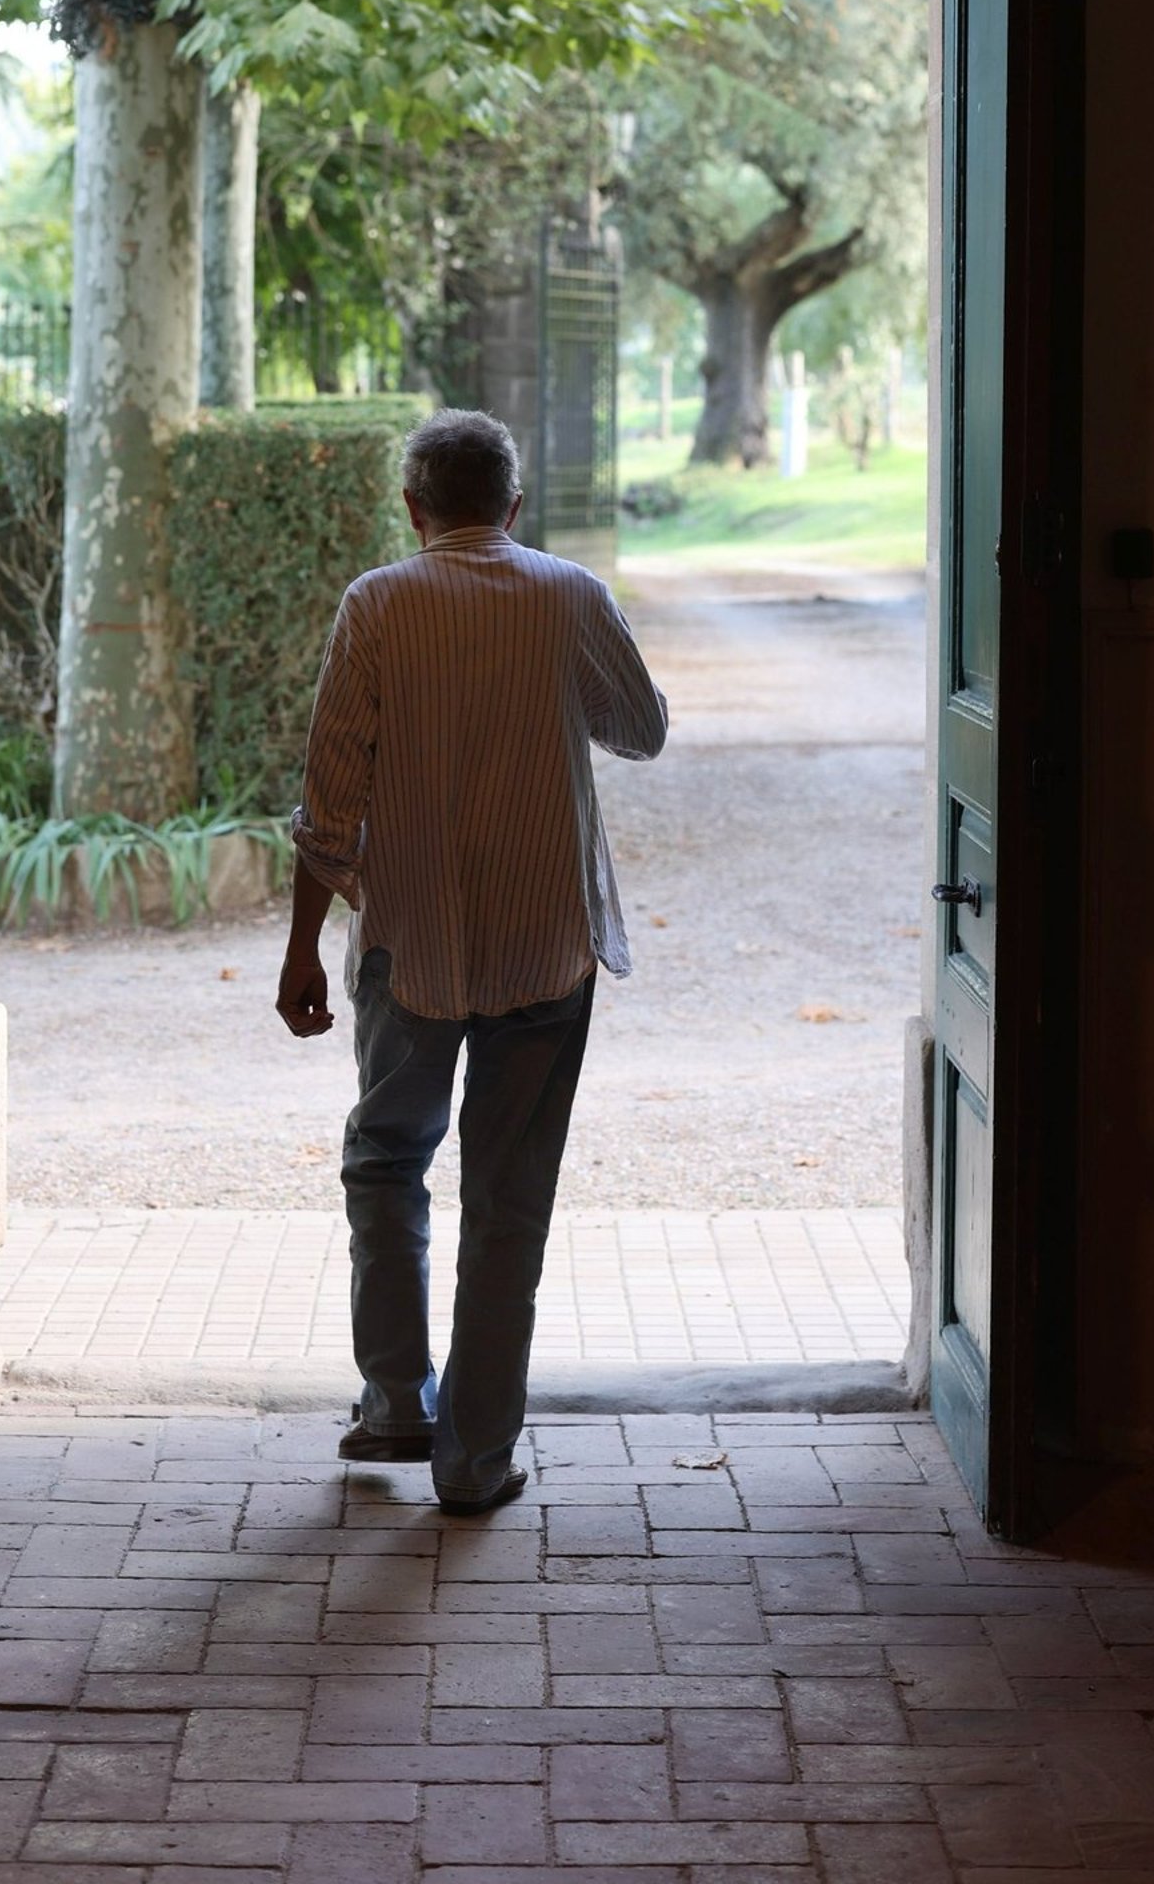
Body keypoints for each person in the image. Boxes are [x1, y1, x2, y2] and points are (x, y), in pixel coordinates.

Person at [277, 406, 668, 1513]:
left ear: (413, 508)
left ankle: (398, 1401)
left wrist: (303, 946)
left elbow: (330, 797)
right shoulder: (569, 595)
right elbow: (641, 729)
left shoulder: (379, 603)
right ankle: (476, 1462)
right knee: (510, 1204)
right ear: (513, 503)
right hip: (549, 942)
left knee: (385, 1161)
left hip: (409, 943)